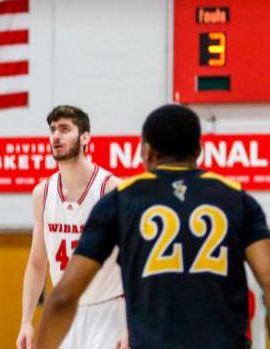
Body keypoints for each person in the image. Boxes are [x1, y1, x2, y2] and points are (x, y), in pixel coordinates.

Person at [34, 104, 270, 349]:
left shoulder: (120, 200)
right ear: (199, 150)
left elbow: (63, 297)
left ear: (146, 152)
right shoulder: (238, 199)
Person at [17, 105, 125, 349]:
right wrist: (26, 321)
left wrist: (131, 324)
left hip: (109, 310)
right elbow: (36, 262)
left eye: (65, 129)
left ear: (85, 137)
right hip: (65, 311)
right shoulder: (42, 193)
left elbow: (133, 258)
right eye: (53, 130)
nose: (56, 135)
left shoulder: (111, 188)